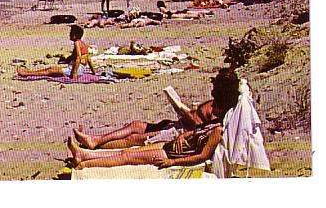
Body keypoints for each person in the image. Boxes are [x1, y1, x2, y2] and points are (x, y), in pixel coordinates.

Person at [67, 68, 240, 169]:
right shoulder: (216, 112)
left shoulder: (218, 125)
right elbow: (198, 131)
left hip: (173, 148)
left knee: (131, 146)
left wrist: (172, 161)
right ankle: (89, 150)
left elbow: (202, 154)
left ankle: (87, 160)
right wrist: (183, 135)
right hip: (176, 137)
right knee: (131, 141)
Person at [17, 25, 96, 79]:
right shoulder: (83, 44)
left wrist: (74, 73)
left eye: (71, 33)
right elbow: (88, 59)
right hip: (78, 69)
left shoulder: (77, 43)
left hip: (75, 70)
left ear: (74, 35)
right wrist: (94, 72)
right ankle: (29, 72)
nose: (69, 34)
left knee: (50, 71)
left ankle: (27, 73)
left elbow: (78, 57)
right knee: (51, 68)